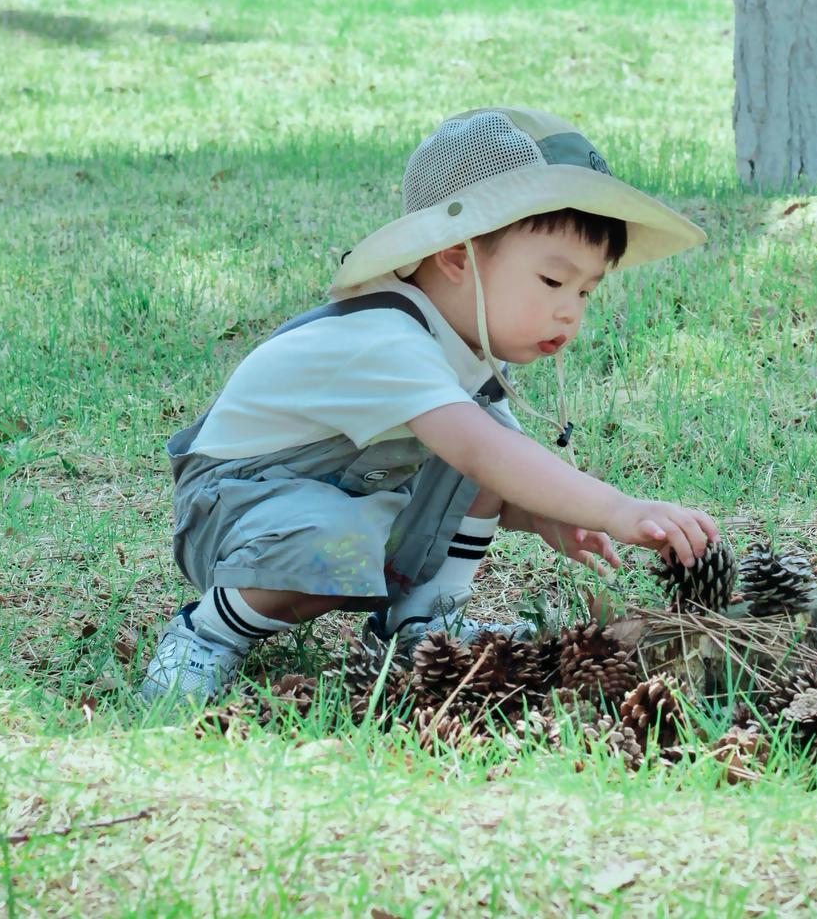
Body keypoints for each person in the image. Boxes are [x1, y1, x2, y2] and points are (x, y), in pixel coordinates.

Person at [140, 106, 720, 704]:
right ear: (455, 256)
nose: (570, 310)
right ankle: (205, 632)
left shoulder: (467, 355)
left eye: (585, 291)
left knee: (493, 458)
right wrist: (616, 509)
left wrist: (547, 512)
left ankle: (423, 625)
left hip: (345, 497)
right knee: (358, 525)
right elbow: (478, 448)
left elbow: (494, 471)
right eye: (552, 282)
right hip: (235, 504)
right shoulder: (386, 336)